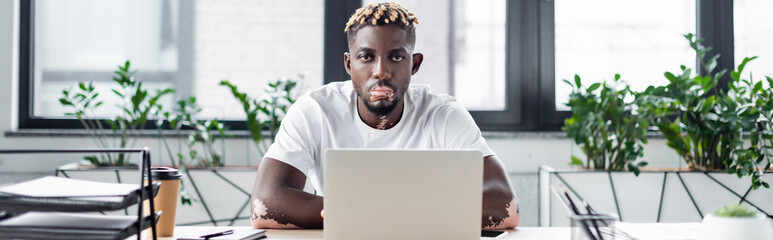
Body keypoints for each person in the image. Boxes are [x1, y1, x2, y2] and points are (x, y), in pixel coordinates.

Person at [250, 2, 519, 230]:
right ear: (348, 64)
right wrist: (397, 215)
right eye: (366, 57)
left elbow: (505, 206)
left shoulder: (444, 114)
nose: (381, 71)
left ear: (414, 64)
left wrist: (366, 215)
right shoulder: (315, 110)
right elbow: (265, 202)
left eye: (396, 57)